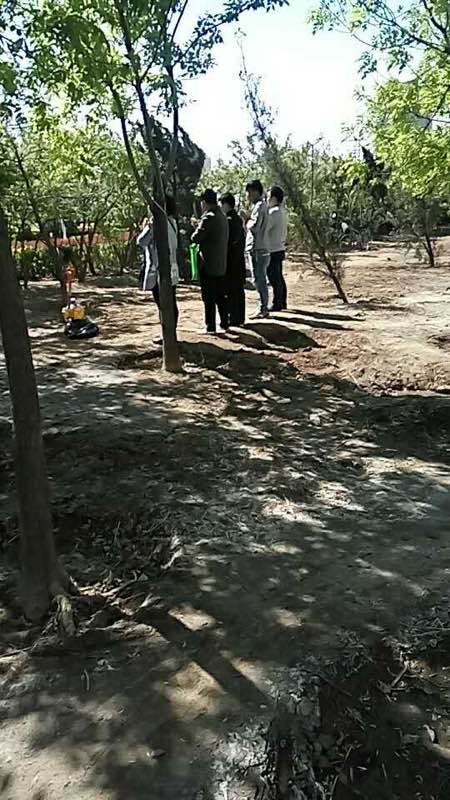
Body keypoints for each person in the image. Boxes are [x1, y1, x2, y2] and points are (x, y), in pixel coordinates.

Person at [137, 195, 179, 334]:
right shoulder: (172, 222)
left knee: (162, 304)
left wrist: (148, 226)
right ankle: (171, 333)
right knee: (171, 302)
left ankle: (167, 334)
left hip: (158, 270)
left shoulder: (156, 223)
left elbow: (141, 241)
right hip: (172, 269)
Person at [192, 188, 229, 334]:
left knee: (208, 297)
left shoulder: (208, 218)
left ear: (205, 202)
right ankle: (225, 322)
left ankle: (210, 326)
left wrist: (196, 226)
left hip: (208, 263)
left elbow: (196, 238)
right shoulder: (222, 216)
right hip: (221, 263)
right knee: (220, 296)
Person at [220, 192, 246, 327]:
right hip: (239, 260)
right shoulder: (238, 220)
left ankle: (233, 317)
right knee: (239, 291)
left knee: (231, 291)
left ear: (226, 204)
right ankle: (239, 317)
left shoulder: (228, 221)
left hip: (231, 261)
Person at [245, 179, 270, 319]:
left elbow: (254, 227)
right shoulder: (262, 206)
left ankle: (263, 308)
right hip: (261, 247)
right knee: (260, 279)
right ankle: (263, 306)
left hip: (257, 248)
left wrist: (247, 220)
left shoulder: (259, 206)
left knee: (259, 279)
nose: (248, 196)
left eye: (249, 193)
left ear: (255, 192)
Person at [267, 186, 288, 311]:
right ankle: (282, 301)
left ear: (274, 198)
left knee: (274, 278)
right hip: (279, 247)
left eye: (268, 197)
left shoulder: (273, 212)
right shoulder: (283, 211)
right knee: (279, 276)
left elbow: (265, 228)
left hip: (272, 248)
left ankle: (277, 303)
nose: (267, 200)